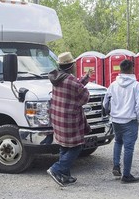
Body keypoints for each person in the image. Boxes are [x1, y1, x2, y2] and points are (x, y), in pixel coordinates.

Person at [47, 52, 93, 187]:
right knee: (76, 147)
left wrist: (86, 78)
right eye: (73, 64)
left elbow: (74, 86)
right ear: (70, 66)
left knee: (64, 147)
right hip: (69, 120)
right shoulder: (70, 80)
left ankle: (64, 176)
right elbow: (85, 97)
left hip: (58, 118)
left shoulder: (57, 77)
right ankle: (56, 169)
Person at [103, 59, 139, 183]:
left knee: (118, 142)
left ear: (120, 69)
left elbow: (106, 102)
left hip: (116, 120)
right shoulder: (136, 86)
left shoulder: (113, 84)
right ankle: (126, 175)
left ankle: (116, 165)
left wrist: (111, 114)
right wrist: (138, 118)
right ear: (132, 69)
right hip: (129, 120)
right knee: (129, 148)